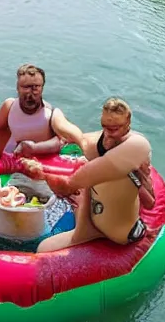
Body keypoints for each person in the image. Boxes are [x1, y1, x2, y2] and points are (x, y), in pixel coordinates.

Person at [22, 97, 156, 253]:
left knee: (101, 171)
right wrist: (53, 116)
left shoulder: (137, 146)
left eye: (114, 129)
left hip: (122, 232)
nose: (107, 134)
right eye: (104, 126)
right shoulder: (96, 142)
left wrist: (47, 176)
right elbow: (68, 132)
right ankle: (84, 229)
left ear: (128, 123)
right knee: (43, 248)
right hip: (91, 223)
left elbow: (77, 180)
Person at [0, 63, 83, 158]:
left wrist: (34, 148)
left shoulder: (52, 114)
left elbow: (63, 139)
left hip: (40, 161)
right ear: (17, 88)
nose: (30, 93)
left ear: (42, 88)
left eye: (35, 87)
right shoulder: (9, 106)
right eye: (25, 87)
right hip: (11, 156)